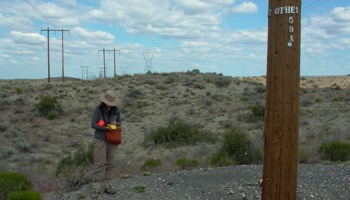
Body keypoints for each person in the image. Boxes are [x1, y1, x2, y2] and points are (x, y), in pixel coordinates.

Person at [91, 90, 121, 196]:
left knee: (110, 163)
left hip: (112, 139)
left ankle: (108, 186)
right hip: (101, 138)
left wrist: (115, 124)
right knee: (99, 163)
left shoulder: (116, 110)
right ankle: (96, 188)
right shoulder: (98, 109)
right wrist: (105, 127)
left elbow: (119, 122)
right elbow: (93, 124)